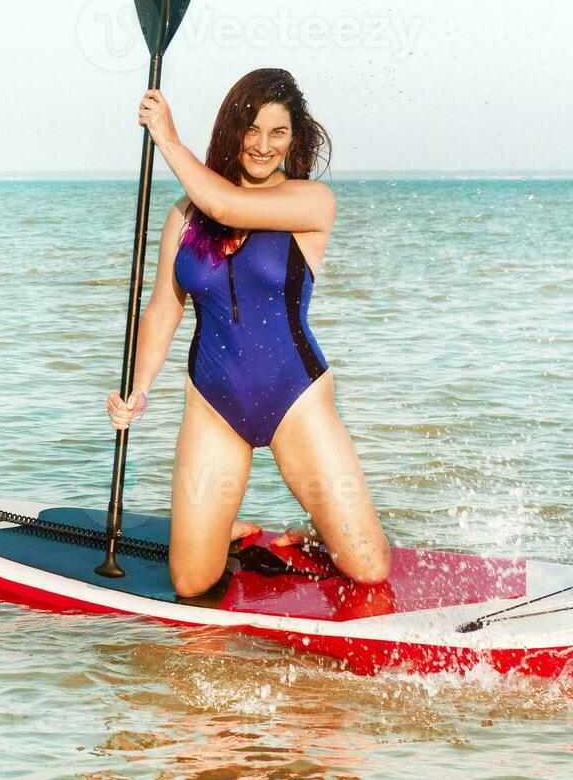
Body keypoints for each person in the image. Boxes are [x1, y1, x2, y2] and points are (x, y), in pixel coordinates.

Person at [104, 68, 391, 598]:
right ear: (232, 129)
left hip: (296, 401)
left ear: (295, 138)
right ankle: (231, 533)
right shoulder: (185, 214)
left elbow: (225, 205)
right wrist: (138, 390)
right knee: (192, 581)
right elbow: (164, 308)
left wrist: (166, 137)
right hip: (214, 405)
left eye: (277, 133)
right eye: (251, 129)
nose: (262, 146)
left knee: (369, 568)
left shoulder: (310, 203)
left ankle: (314, 533)